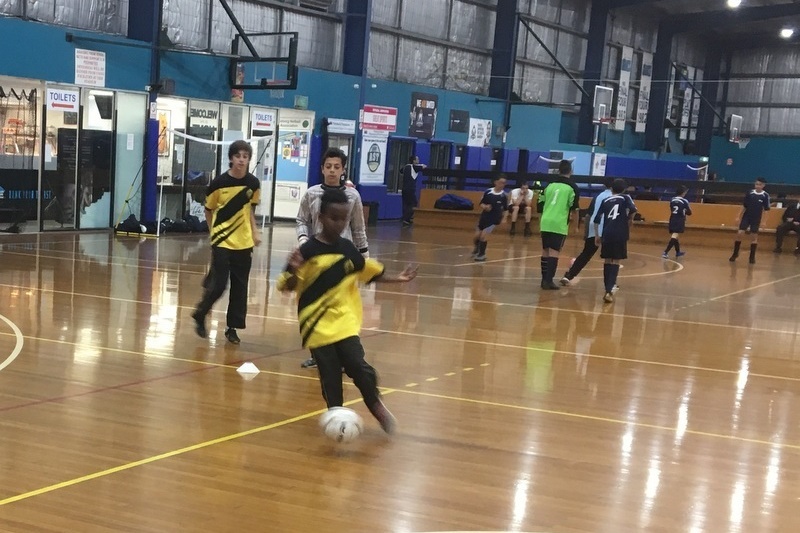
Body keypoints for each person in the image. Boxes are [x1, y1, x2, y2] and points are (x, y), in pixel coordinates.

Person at [277, 188, 418, 435]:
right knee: (330, 376)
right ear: (320, 217)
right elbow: (286, 286)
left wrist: (399, 278)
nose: (339, 223)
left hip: (345, 321)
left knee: (356, 364)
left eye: (343, 218)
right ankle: (337, 417)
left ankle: (374, 403)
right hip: (316, 325)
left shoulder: (348, 250)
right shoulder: (307, 252)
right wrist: (294, 269)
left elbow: (370, 272)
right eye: (334, 217)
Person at [191, 140, 261, 344]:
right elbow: (208, 210)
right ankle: (200, 313)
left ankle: (232, 328)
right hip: (222, 240)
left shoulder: (253, 184)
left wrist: (255, 233)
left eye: (245, 156)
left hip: (244, 242)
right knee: (220, 285)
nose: (241, 160)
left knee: (240, 287)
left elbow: (250, 211)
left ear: (248, 159)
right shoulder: (218, 184)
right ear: (231, 158)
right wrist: (214, 233)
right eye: (238, 156)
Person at [560, 176, 614, 286]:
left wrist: (587, 233)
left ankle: (568, 276)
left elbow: (589, 215)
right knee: (610, 258)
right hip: (609, 228)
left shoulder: (598, 196)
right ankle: (610, 283)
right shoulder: (617, 198)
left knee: (585, 254)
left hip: (594, 227)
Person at [538, 160, 580, 290]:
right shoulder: (572, 187)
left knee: (545, 250)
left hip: (546, 221)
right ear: (571, 171)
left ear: (558, 171)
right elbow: (575, 209)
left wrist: (543, 219)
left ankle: (544, 279)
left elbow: (539, 204)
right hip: (559, 223)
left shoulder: (549, 185)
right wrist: (576, 226)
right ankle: (549, 281)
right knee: (554, 251)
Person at [593, 179, 637, 304]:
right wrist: (630, 220)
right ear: (624, 189)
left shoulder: (605, 200)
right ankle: (609, 290)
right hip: (620, 233)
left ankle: (607, 288)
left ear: (611, 189)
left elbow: (596, 219)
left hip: (607, 233)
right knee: (616, 260)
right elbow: (633, 210)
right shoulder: (625, 198)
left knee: (607, 260)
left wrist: (597, 235)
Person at [730, 177, 770, 264]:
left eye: (759, 184)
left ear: (763, 185)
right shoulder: (750, 193)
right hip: (746, 216)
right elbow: (744, 206)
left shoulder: (765, 195)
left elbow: (766, 210)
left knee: (753, 236)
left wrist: (764, 222)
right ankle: (735, 253)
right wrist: (738, 216)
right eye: (756, 184)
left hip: (756, 218)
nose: (757, 186)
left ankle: (752, 257)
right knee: (740, 233)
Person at [472, 175, 508, 262]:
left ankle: (482, 254)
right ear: (496, 182)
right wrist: (485, 207)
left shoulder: (504, 196)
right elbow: (481, 203)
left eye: (504, 183)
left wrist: (504, 218)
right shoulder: (488, 192)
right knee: (477, 236)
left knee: (483, 236)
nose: (502, 184)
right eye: (500, 182)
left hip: (494, 219)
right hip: (484, 217)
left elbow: (506, 209)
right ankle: (477, 248)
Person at [663, 185, 692, 259]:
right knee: (674, 236)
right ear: (683, 193)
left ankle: (677, 252)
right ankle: (665, 252)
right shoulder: (684, 201)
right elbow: (689, 212)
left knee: (675, 236)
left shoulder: (672, 200)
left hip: (672, 219)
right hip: (679, 220)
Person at [401, 155, 427, 226]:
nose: (418, 161)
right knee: (414, 203)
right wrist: (421, 165)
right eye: (417, 159)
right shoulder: (414, 167)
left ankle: (405, 218)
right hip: (410, 189)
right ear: (414, 161)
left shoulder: (406, 166)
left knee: (405, 204)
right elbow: (424, 167)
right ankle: (407, 219)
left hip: (404, 189)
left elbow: (401, 171)